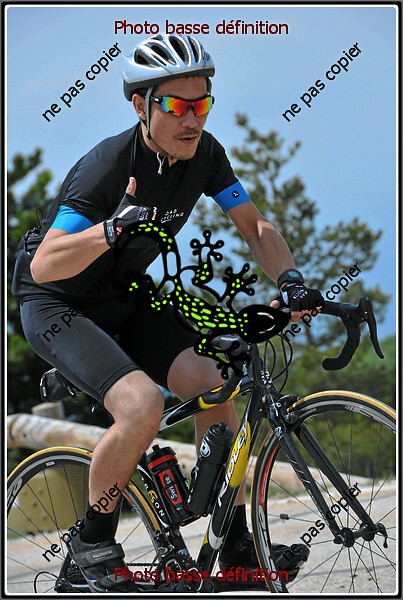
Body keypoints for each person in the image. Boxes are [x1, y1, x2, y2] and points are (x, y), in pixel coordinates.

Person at [12, 33, 323, 592]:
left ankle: (233, 543)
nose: (191, 119)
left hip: (124, 296)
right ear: (141, 105)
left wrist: (291, 281)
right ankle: (92, 541)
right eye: (177, 105)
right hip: (57, 303)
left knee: (214, 380)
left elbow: (254, 225)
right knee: (142, 404)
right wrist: (111, 229)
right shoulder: (108, 166)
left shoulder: (205, 155)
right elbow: (46, 264)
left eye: (202, 104)